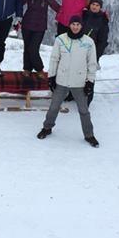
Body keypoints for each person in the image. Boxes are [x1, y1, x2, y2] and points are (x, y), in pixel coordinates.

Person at [37, 15, 99, 148]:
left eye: (78, 24)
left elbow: (92, 63)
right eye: (73, 24)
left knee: (84, 110)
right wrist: (51, 77)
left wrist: (90, 81)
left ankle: (89, 135)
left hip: (80, 81)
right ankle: (47, 128)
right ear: (69, 25)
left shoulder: (88, 42)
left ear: (81, 26)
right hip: (62, 80)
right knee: (54, 107)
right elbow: (54, 59)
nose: (75, 27)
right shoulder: (61, 39)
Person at [20, 0, 59, 72]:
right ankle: (27, 69)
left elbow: (55, 6)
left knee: (33, 49)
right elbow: (19, 3)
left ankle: (39, 69)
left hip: (40, 26)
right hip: (27, 24)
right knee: (27, 48)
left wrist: (68, 11)